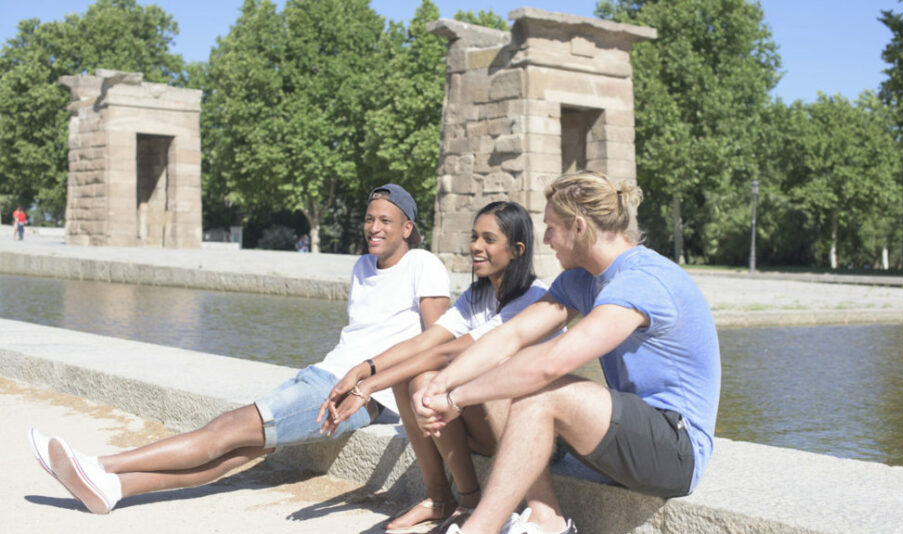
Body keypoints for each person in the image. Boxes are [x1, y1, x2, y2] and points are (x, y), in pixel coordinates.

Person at [28, 183, 451, 515]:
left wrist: (368, 385)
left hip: (353, 393)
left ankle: (101, 465)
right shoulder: (362, 267)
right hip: (324, 374)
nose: (374, 228)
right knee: (240, 451)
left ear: (407, 228)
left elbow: (436, 341)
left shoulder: (424, 265)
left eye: (385, 221)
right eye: (369, 219)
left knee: (226, 429)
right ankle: (115, 489)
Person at [414, 171, 721, 534]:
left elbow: (551, 362)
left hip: (676, 451)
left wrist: (457, 398)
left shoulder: (643, 282)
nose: (544, 239)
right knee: (506, 374)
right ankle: (546, 519)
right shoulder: (581, 279)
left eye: (550, 227)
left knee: (540, 392)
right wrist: (442, 385)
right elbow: (510, 336)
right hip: (624, 437)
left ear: (578, 226)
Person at [318, 201, 548, 533]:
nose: (475, 247)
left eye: (488, 239)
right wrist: (364, 369)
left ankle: (469, 501)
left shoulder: (532, 298)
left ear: (517, 249)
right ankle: (440, 498)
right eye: (473, 237)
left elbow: (448, 354)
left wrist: (367, 388)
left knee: (427, 378)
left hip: (528, 435)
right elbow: (427, 341)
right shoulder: (476, 295)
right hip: (482, 423)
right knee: (409, 380)